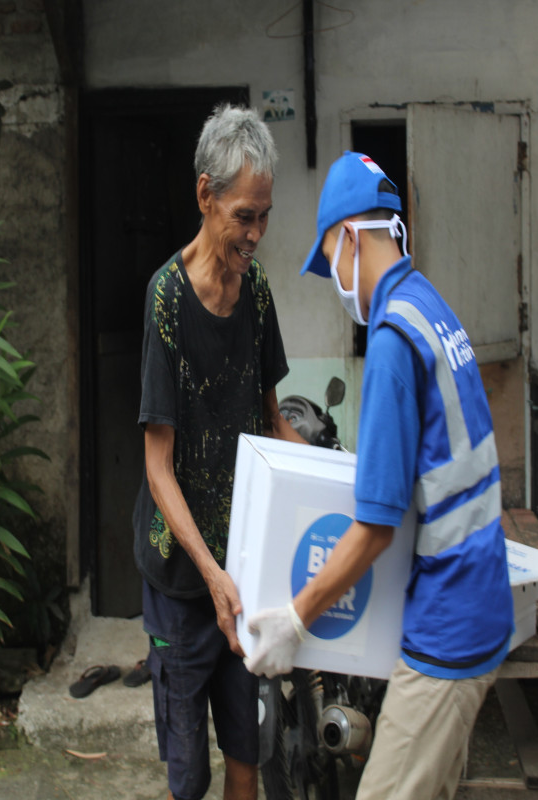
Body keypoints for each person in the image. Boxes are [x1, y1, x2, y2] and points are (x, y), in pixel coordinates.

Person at [246, 151, 514, 800]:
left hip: (449, 626)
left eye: (330, 259)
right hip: (480, 601)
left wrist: (295, 619)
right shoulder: (431, 308)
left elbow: (374, 528)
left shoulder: (394, 338)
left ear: (349, 238)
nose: (335, 280)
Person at [132, 104, 304, 800]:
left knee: (247, 755)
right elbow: (157, 465)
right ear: (206, 197)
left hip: (246, 568)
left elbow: (271, 424)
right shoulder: (166, 301)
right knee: (189, 778)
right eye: (244, 216)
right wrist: (211, 575)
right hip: (182, 581)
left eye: (264, 216)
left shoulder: (256, 291)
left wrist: (342, 485)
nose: (257, 234)